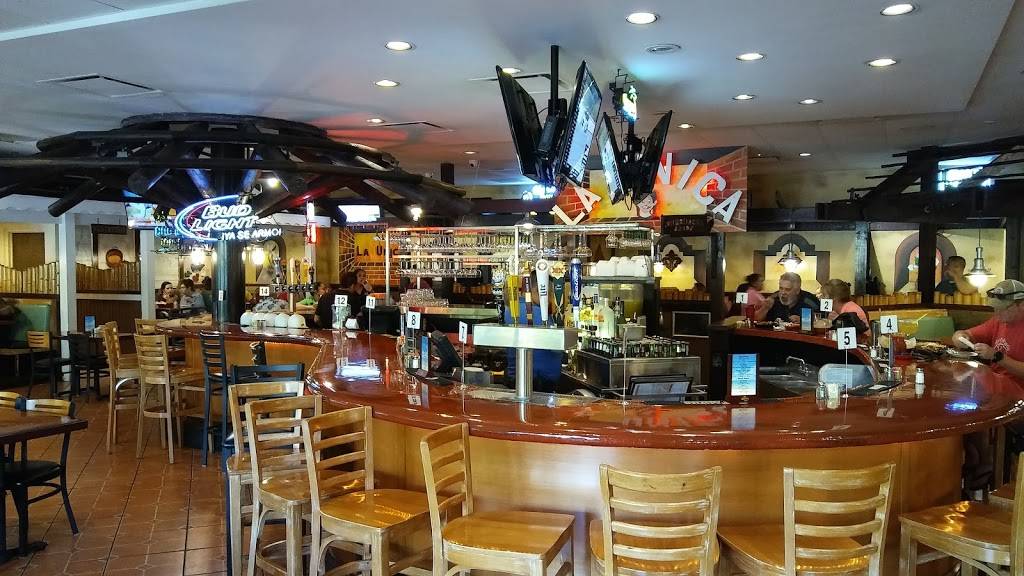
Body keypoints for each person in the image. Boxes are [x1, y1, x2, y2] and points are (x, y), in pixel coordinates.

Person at [952, 279, 1024, 383]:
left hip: (1017, 388)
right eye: (995, 307)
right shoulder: (998, 321)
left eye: (1003, 308)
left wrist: (997, 356)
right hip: (994, 382)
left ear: (1021, 305)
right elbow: (961, 334)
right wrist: (961, 338)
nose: (997, 313)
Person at [755, 272, 820, 323]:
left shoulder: (809, 301)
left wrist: (803, 320)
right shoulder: (774, 298)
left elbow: (822, 321)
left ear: (797, 291)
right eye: (781, 288)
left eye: (787, 289)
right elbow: (756, 320)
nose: (783, 293)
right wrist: (765, 308)